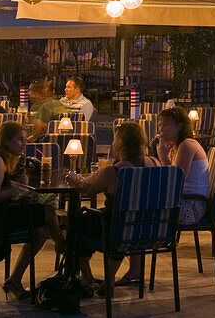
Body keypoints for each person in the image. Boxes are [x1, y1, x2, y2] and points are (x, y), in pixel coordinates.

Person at [0, 121, 65, 300]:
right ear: (6, 141)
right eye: (20, 140)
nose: (24, 144)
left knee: (41, 230)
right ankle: (64, 248)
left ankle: (14, 279)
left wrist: (19, 184)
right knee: (48, 211)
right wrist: (15, 190)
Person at [67, 121, 158, 289]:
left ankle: (87, 277)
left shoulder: (115, 171)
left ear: (120, 144)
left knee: (78, 223)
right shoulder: (154, 163)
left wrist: (74, 179)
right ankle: (109, 278)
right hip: (146, 229)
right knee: (121, 220)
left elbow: (88, 191)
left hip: (116, 231)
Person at [156, 107, 209, 225]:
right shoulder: (177, 147)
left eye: (166, 124)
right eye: (160, 125)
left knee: (147, 209)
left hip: (191, 207)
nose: (161, 129)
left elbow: (176, 181)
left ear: (180, 126)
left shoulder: (187, 145)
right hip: (183, 201)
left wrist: (163, 157)